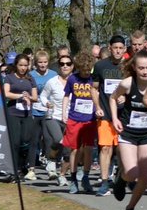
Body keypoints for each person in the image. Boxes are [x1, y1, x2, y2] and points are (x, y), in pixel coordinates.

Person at [107, 50, 147, 210]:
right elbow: (112, 98)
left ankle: (130, 209)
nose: (145, 71)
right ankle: (122, 179)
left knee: (144, 178)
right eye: (141, 68)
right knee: (132, 173)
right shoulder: (127, 83)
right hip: (129, 133)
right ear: (134, 67)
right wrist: (115, 118)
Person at [93, 35, 128, 195]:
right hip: (106, 114)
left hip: (124, 115)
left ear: (125, 49)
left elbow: (136, 88)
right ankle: (104, 182)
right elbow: (94, 88)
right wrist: (97, 106)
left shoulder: (129, 66)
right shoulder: (100, 66)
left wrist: (125, 96)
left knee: (122, 150)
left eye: (121, 48)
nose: (118, 51)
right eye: (115, 48)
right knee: (105, 148)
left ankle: (122, 178)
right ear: (110, 48)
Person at [62, 51, 99, 193]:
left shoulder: (93, 80)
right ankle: (73, 179)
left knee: (89, 149)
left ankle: (86, 176)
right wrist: (64, 112)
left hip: (89, 119)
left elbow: (99, 95)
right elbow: (66, 96)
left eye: (87, 70)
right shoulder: (72, 79)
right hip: (74, 118)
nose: (85, 73)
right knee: (74, 149)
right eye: (83, 70)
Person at [3, 54, 39, 179]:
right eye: (20, 65)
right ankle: (14, 170)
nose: (23, 68)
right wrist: (20, 96)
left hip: (27, 113)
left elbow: (35, 97)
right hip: (13, 113)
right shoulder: (9, 78)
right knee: (15, 142)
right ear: (16, 65)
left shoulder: (30, 79)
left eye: (25, 65)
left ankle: (23, 165)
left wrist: (28, 97)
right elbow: (6, 93)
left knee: (26, 139)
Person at [39, 54, 72, 184]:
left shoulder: (75, 82)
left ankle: (62, 176)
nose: (65, 66)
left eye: (68, 64)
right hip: (53, 116)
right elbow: (42, 96)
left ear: (72, 66)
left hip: (70, 119)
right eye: (62, 64)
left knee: (68, 150)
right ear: (58, 66)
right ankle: (51, 160)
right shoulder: (52, 82)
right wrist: (46, 103)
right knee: (59, 140)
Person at [29, 50, 58, 174]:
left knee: (49, 140)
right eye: (40, 62)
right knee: (34, 140)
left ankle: (51, 165)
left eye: (45, 62)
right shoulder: (31, 75)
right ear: (36, 63)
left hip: (48, 112)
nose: (42, 65)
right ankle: (31, 168)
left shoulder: (53, 74)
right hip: (35, 111)